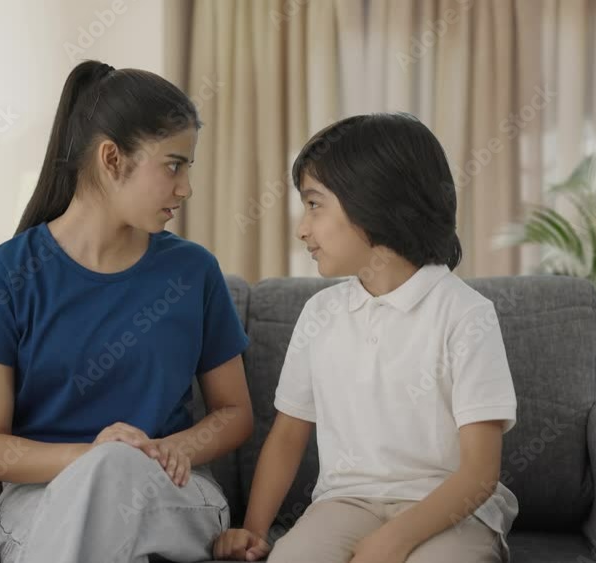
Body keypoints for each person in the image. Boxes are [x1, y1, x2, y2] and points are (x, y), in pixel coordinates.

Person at [0, 59, 254, 563]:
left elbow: (235, 412)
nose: (186, 188)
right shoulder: (5, 275)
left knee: (115, 477)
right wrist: (97, 458)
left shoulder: (193, 271)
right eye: (173, 165)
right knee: (108, 479)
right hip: (44, 499)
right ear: (112, 158)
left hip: (171, 492)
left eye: (188, 168)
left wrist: (169, 450)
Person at [213, 113, 518, 563]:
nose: (302, 228)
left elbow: (479, 474)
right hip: (346, 503)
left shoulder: (465, 315)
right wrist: (254, 531)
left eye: (314, 205)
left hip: (449, 508)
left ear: (375, 201)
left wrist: (394, 541)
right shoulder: (320, 314)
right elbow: (287, 436)